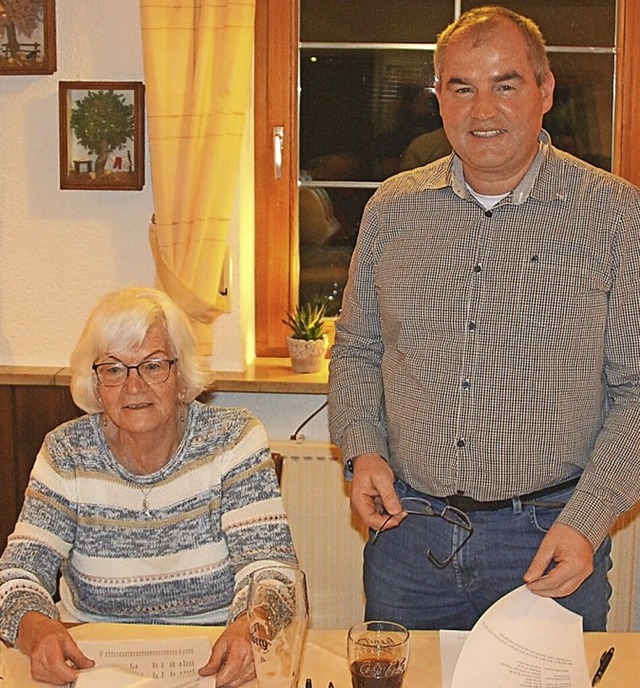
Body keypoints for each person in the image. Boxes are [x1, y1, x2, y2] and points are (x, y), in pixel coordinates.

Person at [328, 5, 640, 632]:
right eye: (461, 87)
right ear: (438, 97)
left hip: (550, 536)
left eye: (506, 84)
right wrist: (364, 450)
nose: (482, 110)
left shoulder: (615, 215)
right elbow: (358, 348)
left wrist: (588, 519)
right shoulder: (392, 210)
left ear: (545, 90)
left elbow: (636, 389)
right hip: (408, 539)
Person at [0, 286, 297, 686]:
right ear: (96, 381)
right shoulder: (67, 451)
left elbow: (272, 569)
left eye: (153, 365)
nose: (134, 387)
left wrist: (252, 626)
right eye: (114, 369)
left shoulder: (233, 438)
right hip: (92, 666)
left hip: (215, 658)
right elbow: (17, 572)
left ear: (180, 372)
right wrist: (38, 631)